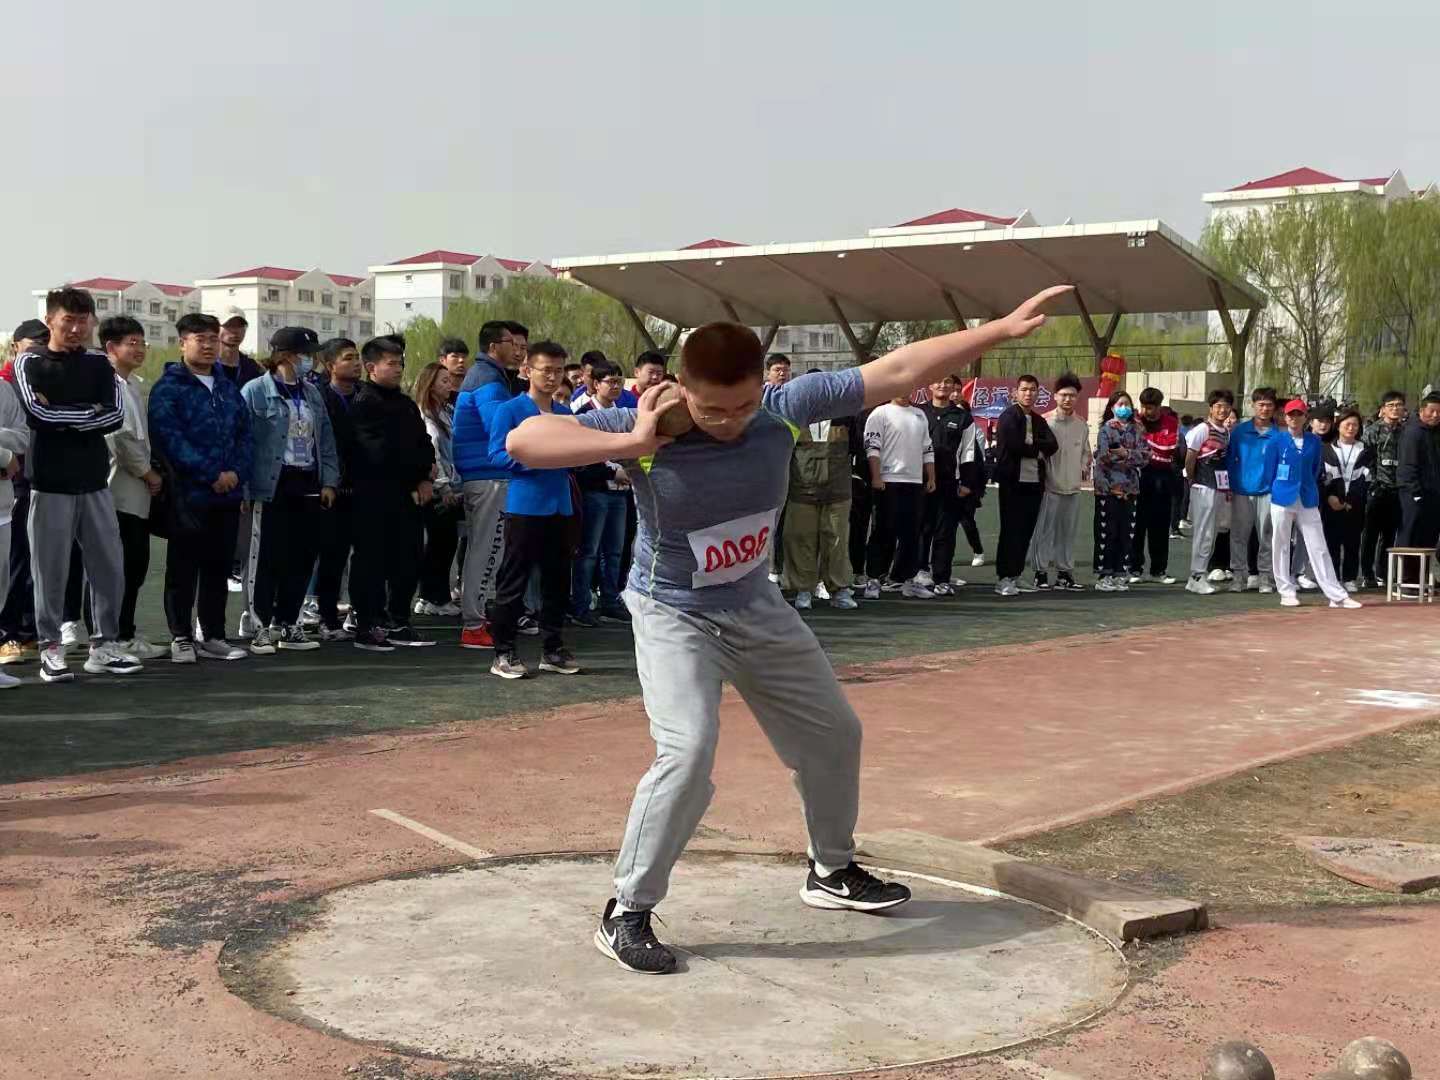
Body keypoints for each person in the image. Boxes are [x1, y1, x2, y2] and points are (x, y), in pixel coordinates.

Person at [504, 286, 1070, 975]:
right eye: (713, 409)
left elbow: (897, 368)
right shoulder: (646, 423)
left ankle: (830, 870)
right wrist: (632, 443)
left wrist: (999, 329)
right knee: (688, 751)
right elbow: (523, 441)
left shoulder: (784, 407)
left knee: (835, 733)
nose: (730, 422)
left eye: (743, 405)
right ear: (682, 388)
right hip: (674, 611)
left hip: (756, 604)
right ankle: (627, 909)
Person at [11, 288, 141, 682]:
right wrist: (89, 413)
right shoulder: (29, 362)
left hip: (95, 482)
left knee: (109, 568)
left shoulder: (99, 363)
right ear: (50, 320)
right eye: (68, 320)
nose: (76, 328)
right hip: (48, 484)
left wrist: (63, 413)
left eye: (83, 321)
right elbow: (37, 415)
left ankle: (104, 646)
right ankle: (50, 648)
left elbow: (114, 416)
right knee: (49, 571)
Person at [148, 313, 252, 663]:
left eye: (212, 339)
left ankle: (213, 635)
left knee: (217, 568)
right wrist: (211, 474)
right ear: (182, 343)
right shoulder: (169, 388)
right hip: (188, 495)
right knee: (183, 568)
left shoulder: (227, 387)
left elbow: (245, 435)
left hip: (228, 495)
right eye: (200, 339)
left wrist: (236, 473)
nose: (208, 346)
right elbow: (170, 440)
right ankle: (180, 636)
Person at [239, 327, 339, 654]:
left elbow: (325, 439)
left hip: (306, 480)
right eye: (305, 354)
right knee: (265, 557)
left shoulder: (312, 393)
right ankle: (258, 625)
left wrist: (329, 481)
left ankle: (289, 622)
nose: (310, 360)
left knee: (302, 555)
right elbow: (244, 442)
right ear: (285, 355)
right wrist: (245, 487)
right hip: (271, 483)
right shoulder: (255, 391)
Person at [485, 343, 579, 678]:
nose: (553, 377)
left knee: (558, 581)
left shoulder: (565, 413)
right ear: (528, 371)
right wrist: (533, 462)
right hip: (525, 506)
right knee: (514, 580)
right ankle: (504, 651)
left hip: (561, 505)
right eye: (546, 370)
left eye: (558, 370)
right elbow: (496, 454)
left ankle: (552, 649)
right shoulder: (510, 410)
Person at [348, 335, 436, 651]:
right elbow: (378, 452)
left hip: (407, 497)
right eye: (391, 363)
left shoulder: (406, 404)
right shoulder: (364, 402)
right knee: (371, 562)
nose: (398, 368)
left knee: (408, 558)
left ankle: (398, 620)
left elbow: (424, 443)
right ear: (371, 367)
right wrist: (416, 473)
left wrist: (425, 477)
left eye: (400, 363)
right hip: (373, 495)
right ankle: (368, 624)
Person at [98, 316, 164, 660]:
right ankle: (112, 637)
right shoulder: (108, 384)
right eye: (131, 343)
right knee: (119, 567)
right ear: (111, 347)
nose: (139, 350)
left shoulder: (133, 383)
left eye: (142, 343)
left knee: (134, 566)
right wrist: (148, 473)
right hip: (117, 490)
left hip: (134, 492)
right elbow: (121, 439)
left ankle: (124, 633)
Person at [454, 321, 521, 648]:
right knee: (488, 549)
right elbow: (500, 426)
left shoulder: (487, 376)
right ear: (494, 346)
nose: (517, 349)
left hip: (483, 474)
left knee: (486, 549)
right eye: (512, 342)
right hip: (488, 475)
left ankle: (479, 617)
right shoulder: (488, 379)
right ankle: (474, 623)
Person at [1268, 399, 1360, 609]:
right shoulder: (1276, 441)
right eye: (1291, 414)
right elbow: (1269, 472)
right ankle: (1286, 591)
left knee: (1318, 545)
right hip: (1282, 497)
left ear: (1305, 418)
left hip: (1307, 497)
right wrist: (1277, 489)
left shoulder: (1314, 442)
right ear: (1285, 417)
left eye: (1298, 414)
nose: (1294, 418)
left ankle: (1336, 595)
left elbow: (1315, 469)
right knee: (1281, 544)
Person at [783, 370, 859, 610]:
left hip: (838, 490)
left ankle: (839, 590)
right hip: (801, 490)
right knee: (799, 540)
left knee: (836, 541)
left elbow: (857, 449)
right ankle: (803, 590)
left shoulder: (846, 415)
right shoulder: (793, 416)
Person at [570, 358, 635, 626]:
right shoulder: (584, 414)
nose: (616, 386)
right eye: (610, 381)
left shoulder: (624, 413)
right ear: (595, 384)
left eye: (619, 381)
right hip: (595, 490)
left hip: (620, 491)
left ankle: (610, 600)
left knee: (615, 551)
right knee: (589, 552)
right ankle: (581, 605)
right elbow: (580, 458)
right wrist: (610, 472)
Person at [0, 320, 48, 667]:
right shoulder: (9, 381)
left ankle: (26, 630)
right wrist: (5, 453)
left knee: (27, 563)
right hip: (14, 482)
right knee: (15, 562)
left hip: (29, 483)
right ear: (16, 346)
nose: (39, 351)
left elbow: (23, 436)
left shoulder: (13, 386)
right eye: (33, 344)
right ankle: (9, 633)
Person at [862, 395, 935, 599]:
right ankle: (874, 579)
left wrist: (931, 477)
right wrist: (876, 476)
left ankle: (906, 579)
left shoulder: (920, 415)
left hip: (914, 482)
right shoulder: (880, 413)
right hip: (888, 480)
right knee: (883, 531)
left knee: (912, 534)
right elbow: (872, 447)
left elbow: (927, 448)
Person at [313, 338, 361, 640]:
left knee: (366, 557)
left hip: (365, 488)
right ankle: (326, 618)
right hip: (332, 489)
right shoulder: (319, 398)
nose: (356, 363)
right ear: (331, 365)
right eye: (348, 358)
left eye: (357, 357)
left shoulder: (366, 396)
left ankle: (362, 614)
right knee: (332, 556)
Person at [993, 374, 1058, 597]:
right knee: (1011, 530)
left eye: (1032, 390)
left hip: (1034, 483)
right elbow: (1014, 445)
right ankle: (1004, 577)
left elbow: (1052, 445)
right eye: (1024, 389)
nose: (1028, 393)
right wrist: (1036, 449)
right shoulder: (1009, 416)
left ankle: (1016, 574)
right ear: (1016, 392)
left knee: (1026, 531)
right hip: (1013, 482)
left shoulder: (1038, 420)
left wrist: (1033, 444)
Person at [1027, 373, 1090, 591]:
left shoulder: (1082, 425)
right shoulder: (1044, 422)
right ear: (1055, 396)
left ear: (1077, 397)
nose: (1067, 399)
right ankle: (1041, 572)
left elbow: (1085, 452)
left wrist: (1082, 467)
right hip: (1049, 488)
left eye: (1072, 395)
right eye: (1063, 395)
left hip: (1073, 489)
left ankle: (1065, 573)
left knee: (1067, 533)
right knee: (1044, 532)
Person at [918, 374, 977, 594]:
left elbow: (969, 452)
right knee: (921, 528)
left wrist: (967, 482)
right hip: (919, 481)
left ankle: (942, 578)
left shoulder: (963, 418)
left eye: (947, 382)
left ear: (954, 387)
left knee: (945, 532)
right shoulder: (918, 413)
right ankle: (919, 571)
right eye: (938, 381)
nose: (942, 385)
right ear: (930, 385)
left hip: (949, 482)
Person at [414, 362, 463, 616]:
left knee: (442, 544)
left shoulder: (446, 411)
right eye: (443, 381)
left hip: (450, 485)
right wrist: (444, 487)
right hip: (438, 490)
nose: (449, 385)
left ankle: (428, 595)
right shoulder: (426, 415)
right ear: (430, 385)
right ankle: (437, 597)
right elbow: (433, 453)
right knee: (441, 544)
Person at [1093, 391, 1151, 591]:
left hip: (1130, 489)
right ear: (1112, 408)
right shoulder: (1106, 430)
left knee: (1126, 534)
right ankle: (1104, 575)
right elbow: (1103, 457)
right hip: (1108, 489)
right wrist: (1130, 458)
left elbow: (1145, 457)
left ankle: (1120, 573)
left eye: (1127, 404)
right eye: (1120, 404)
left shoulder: (1138, 429)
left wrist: (1126, 453)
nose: (1124, 407)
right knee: (1107, 533)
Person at [1183, 389, 1235, 594]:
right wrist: (1192, 480)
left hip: (1218, 486)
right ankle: (1196, 576)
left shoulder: (1226, 432)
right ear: (1211, 408)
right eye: (1218, 406)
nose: (1223, 410)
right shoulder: (1202, 430)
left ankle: (1200, 574)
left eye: (1227, 406)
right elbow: (1190, 457)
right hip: (1203, 486)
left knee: (1211, 533)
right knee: (1203, 532)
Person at [1130, 387, 1181, 584]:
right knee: (1137, 525)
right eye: (1143, 407)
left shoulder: (1171, 422)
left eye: (1151, 408)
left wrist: (1142, 444)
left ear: (1160, 406)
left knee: (1159, 526)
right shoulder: (1134, 420)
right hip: (1137, 477)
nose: (1146, 412)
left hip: (1162, 478)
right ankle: (1134, 569)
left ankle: (1158, 570)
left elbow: (1168, 448)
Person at [1360, 391, 1407, 588]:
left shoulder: (1406, 431)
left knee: (1390, 535)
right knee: (1370, 534)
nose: (1395, 408)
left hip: (1398, 490)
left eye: (1399, 405)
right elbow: (1364, 459)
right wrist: (1373, 483)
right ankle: (1367, 573)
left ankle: (1384, 573)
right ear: (1383, 409)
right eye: (1391, 405)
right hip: (1377, 489)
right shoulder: (1373, 431)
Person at [1322, 408, 1370, 592]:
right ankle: (1332, 578)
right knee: (1331, 542)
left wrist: (1352, 499)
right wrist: (1330, 496)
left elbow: (1368, 477)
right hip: (1332, 503)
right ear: (1338, 426)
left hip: (1355, 504)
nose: (1351, 428)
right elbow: (1323, 476)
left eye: (1355, 425)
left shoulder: (1365, 450)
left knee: (1352, 542)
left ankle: (1350, 578)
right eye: (1347, 424)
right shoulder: (1327, 449)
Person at [1395, 392, 1440, 580]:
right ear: (1422, 411)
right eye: (1432, 411)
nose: (1435, 415)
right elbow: (1408, 465)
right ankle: (1405, 579)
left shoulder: (1434, 433)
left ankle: (1422, 578)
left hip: (1433, 494)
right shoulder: (1413, 432)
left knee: (1428, 536)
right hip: (1414, 494)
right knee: (1411, 535)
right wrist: (1415, 492)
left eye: (1439, 412)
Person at [0, 374, 26, 688]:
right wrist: (5, 454)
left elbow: (23, 437)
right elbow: (12, 447)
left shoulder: (4, 389)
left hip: (3, 507)